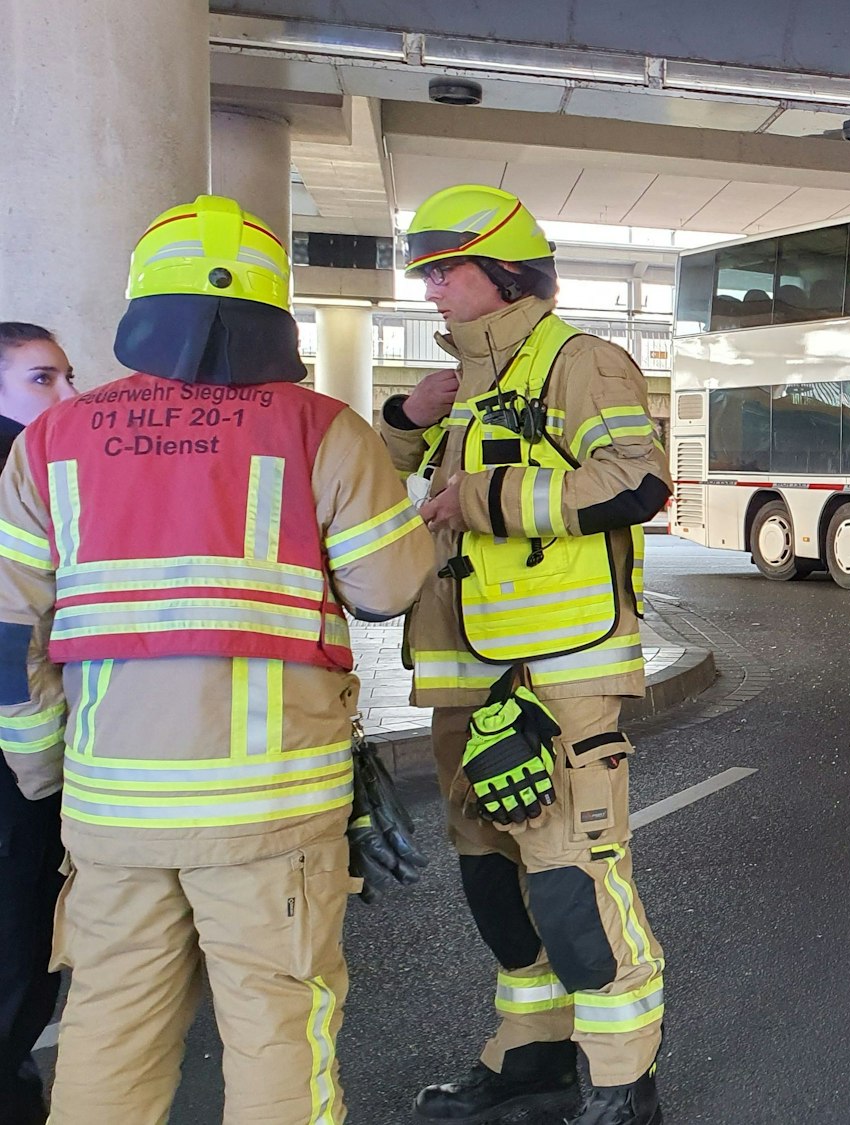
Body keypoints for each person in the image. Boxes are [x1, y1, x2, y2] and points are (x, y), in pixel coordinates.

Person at [0, 195, 431, 1123]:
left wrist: (44, 770)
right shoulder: (323, 430)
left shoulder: (50, 443)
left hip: (112, 807)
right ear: (274, 312)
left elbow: (8, 636)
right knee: (279, 1032)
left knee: (109, 1032)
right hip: (273, 812)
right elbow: (388, 589)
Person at [380, 184, 670, 1125]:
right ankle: (531, 1052)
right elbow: (368, 496)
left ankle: (623, 1077)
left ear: (505, 272)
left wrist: (485, 497)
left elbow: (636, 482)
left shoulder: (578, 363)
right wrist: (404, 417)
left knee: (572, 875)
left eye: (444, 272)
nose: (429, 293)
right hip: (464, 678)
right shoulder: (455, 384)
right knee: (491, 879)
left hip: (559, 677)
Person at [0, 323, 76, 1123]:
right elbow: (13, 639)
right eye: (41, 380)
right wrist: (43, 772)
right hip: (16, 768)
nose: (67, 398)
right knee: (18, 961)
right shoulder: (14, 479)